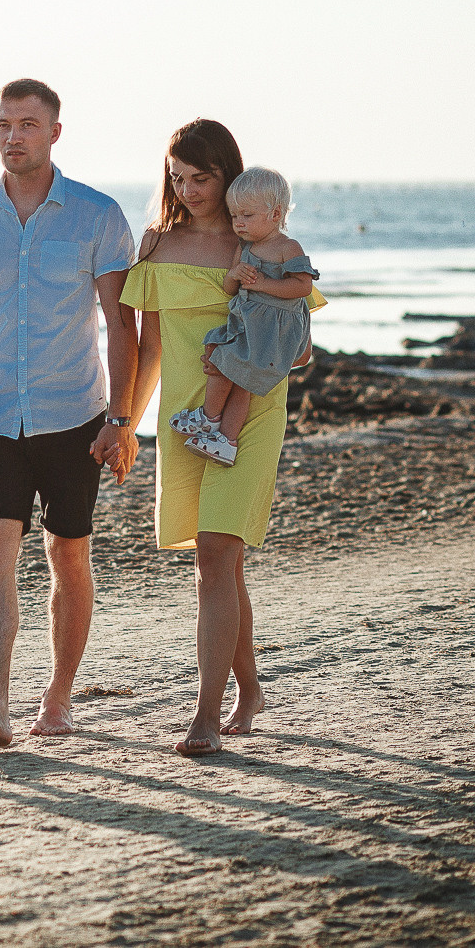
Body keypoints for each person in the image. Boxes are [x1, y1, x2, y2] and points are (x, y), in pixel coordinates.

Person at [0, 79, 138, 747]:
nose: (13, 136)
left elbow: (120, 322)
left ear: (54, 132)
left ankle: (59, 695)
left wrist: (122, 417)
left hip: (75, 414)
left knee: (67, 552)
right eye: (2, 125)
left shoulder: (97, 215)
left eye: (27, 124)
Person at [116, 120, 324, 757]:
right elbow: (149, 349)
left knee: (214, 554)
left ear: (229, 177)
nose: (189, 189)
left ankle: (205, 715)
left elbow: (302, 348)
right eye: (178, 178)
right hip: (183, 414)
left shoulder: (261, 246)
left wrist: (255, 331)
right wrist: (123, 423)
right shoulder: (157, 247)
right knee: (220, 564)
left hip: (250, 410)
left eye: (201, 178)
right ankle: (249, 691)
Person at [169, 167, 318, 467]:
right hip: (247, 324)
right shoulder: (245, 249)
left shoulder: (288, 248)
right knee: (232, 372)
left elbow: (302, 286)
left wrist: (264, 284)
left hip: (272, 328)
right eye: (234, 215)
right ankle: (225, 439)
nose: (238, 223)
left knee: (230, 367)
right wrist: (234, 274)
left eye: (246, 216)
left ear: (275, 214)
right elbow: (229, 287)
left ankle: (213, 421)